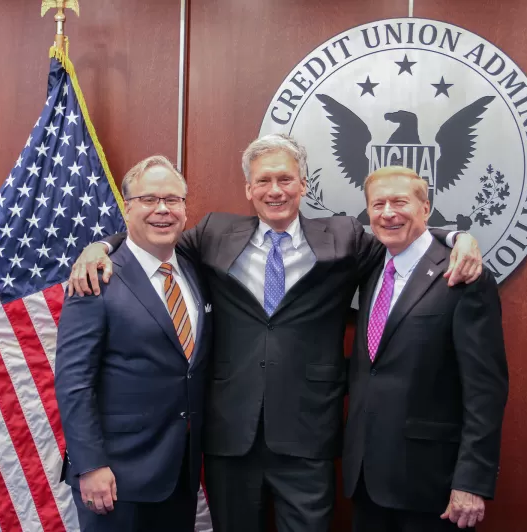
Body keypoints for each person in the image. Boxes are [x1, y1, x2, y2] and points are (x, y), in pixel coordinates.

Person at [68, 135, 482, 532]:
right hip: (229, 437)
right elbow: (155, 237)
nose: (275, 190)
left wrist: (458, 237)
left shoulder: (343, 238)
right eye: (263, 180)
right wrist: (101, 246)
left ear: (303, 184)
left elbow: (405, 240)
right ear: (248, 189)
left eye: (285, 179)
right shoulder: (214, 234)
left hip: (309, 435)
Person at [343, 166, 509, 532]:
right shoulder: (373, 268)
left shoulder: (462, 275)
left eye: (400, 202)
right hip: (366, 479)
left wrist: (472, 481)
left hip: (431, 485)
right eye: (378, 204)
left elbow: (485, 389)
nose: (388, 213)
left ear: (426, 208)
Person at [55, 156, 212, 532]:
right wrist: (89, 465)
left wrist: (103, 243)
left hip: (179, 474)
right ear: (126, 209)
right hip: (115, 477)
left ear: (185, 209)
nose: (162, 209)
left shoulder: (195, 268)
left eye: (172, 200)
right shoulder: (96, 278)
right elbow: (74, 381)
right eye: (149, 199)